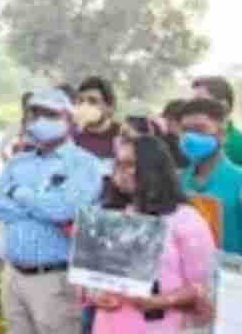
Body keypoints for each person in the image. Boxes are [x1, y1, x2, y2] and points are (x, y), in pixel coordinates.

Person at [0, 87, 104, 334]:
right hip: (13, 276)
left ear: (69, 120)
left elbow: (65, 210)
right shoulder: (19, 162)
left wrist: (19, 193)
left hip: (54, 279)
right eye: (34, 114)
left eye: (49, 115)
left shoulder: (85, 164)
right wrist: (43, 205)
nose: (40, 121)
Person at [86, 136, 215, 333]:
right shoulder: (110, 214)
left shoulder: (186, 219)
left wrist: (159, 301)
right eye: (118, 164)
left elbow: (201, 287)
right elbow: (90, 277)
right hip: (108, 325)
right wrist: (96, 294)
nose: (122, 171)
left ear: (153, 168)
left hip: (161, 326)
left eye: (130, 164)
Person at [176, 97, 242, 253]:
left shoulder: (238, 181)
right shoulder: (177, 181)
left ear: (222, 134)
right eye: (185, 130)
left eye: (200, 129)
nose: (190, 137)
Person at [190, 77, 242, 166]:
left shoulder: (238, 145)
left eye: (200, 101)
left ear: (223, 105)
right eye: (193, 101)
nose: (193, 106)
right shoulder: (191, 139)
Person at [72, 77, 122, 163]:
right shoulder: (72, 135)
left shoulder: (122, 136)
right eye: (81, 101)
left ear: (110, 107)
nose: (85, 106)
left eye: (93, 101)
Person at [0, 92, 36, 162]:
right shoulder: (18, 125)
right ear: (24, 107)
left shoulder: (43, 125)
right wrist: (9, 165)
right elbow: (1, 148)